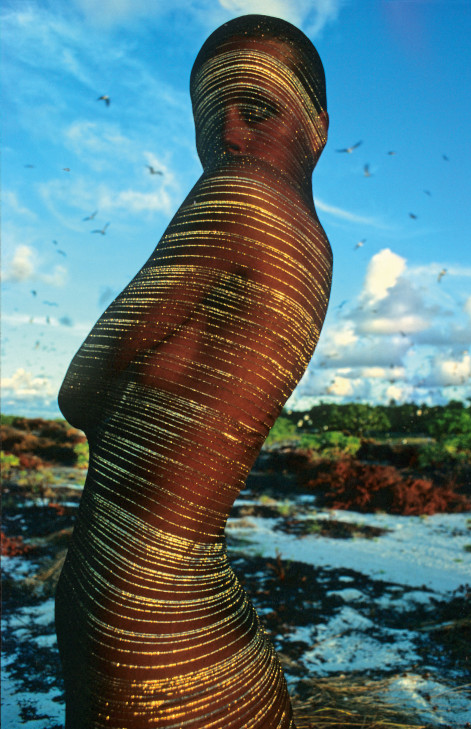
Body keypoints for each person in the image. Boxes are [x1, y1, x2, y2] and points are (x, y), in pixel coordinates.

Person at [55, 14, 332, 729]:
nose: (231, 137)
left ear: (318, 126)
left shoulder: (238, 198)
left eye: (257, 109)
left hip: (155, 627)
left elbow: (77, 387)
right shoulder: (315, 251)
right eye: (212, 128)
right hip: (193, 625)